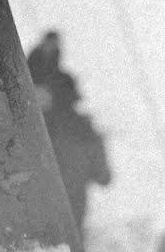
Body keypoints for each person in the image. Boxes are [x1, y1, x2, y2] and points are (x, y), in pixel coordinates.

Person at [40, 74, 111, 239]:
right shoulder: (85, 129)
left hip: (40, 211)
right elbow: (104, 177)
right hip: (74, 212)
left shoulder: (38, 130)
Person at [26, 28, 81, 111]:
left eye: (55, 42)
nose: (53, 45)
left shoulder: (56, 52)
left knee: (67, 78)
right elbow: (30, 69)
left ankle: (71, 99)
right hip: (34, 77)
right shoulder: (36, 53)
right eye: (51, 42)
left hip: (50, 76)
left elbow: (55, 68)